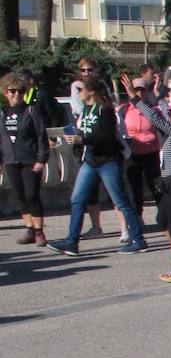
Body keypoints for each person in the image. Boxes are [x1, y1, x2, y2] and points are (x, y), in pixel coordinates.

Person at [46, 77, 146, 257]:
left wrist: (82, 139)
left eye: (81, 90)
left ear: (91, 90)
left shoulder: (105, 110)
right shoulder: (86, 110)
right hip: (91, 161)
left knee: (120, 201)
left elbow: (106, 137)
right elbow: (86, 133)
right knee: (77, 199)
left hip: (108, 161)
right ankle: (72, 241)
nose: (78, 93)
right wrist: (76, 139)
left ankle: (138, 239)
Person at [123, 73, 171, 284]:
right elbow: (165, 112)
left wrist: (134, 98)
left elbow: (157, 118)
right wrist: (158, 97)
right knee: (162, 220)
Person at [1, 72, 50, 246]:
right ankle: (29, 228)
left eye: (20, 91)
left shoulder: (31, 110)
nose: (16, 95)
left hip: (30, 160)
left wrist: (41, 159)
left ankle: (39, 232)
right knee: (20, 196)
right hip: (10, 160)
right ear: (5, 92)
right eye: (12, 91)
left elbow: (41, 137)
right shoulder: (3, 112)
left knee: (32, 195)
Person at [120, 77, 161, 213]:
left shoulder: (153, 110)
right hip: (132, 153)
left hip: (150, 152)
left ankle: (164, 214)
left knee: (155, 184)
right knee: (134, 187)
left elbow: (163, 128)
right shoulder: (123, 109)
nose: (139, 94)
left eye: (142, 91)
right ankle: (137, 216)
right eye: (136, 90)